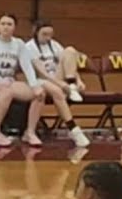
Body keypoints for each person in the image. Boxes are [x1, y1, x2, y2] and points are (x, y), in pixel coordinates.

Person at [23, 20, 91, 148]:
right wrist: (60, 84)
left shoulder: (54, 44)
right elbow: (42, 73)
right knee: (58, 91)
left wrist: (78, 80)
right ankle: (74, 129)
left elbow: (68, 63)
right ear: (36, 32)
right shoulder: (29, 47)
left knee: (70, 50)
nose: (47, 37)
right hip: (41, 80)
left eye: (50, 34)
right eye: (44, 34)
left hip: (58, 78)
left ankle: (72, 86)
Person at [0, 13, 41, 147]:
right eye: (3, 24)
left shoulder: (19, 43)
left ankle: (30, 132)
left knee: (39, 94)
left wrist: (34, 85)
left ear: (14, 27)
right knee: (6, 93)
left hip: (9, 81)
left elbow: (27, 66)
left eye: (9, 24)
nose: (5, 27)